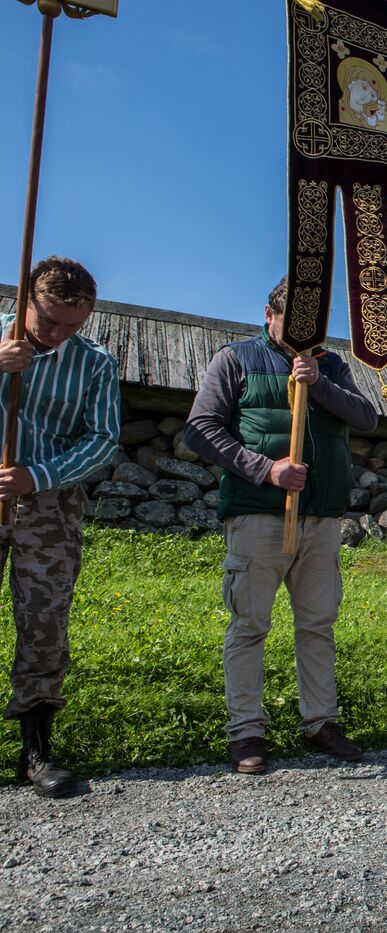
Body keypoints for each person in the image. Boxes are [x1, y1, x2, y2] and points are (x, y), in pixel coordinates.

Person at [184, 276, 379, 775]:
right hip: (258, 513)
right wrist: (264, 468)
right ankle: (246, 730)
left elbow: (367, 418)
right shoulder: (236, 359)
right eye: (289, 324)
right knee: (250, 624)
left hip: (320, 516)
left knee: (318, 623)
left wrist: (319, 382)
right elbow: (200, 429)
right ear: (267, 315)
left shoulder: (331, 364)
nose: (299, 336)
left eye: (310, 327)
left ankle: (320, 721)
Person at [0, 257, 119, 797]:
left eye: (73, 326)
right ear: (25, 298)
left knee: (45, 622)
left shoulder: (95, 364)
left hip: (48, 506)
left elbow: (103, 440)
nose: (57, 335)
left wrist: (38, 475)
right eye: (48, 322)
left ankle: (35, 751)